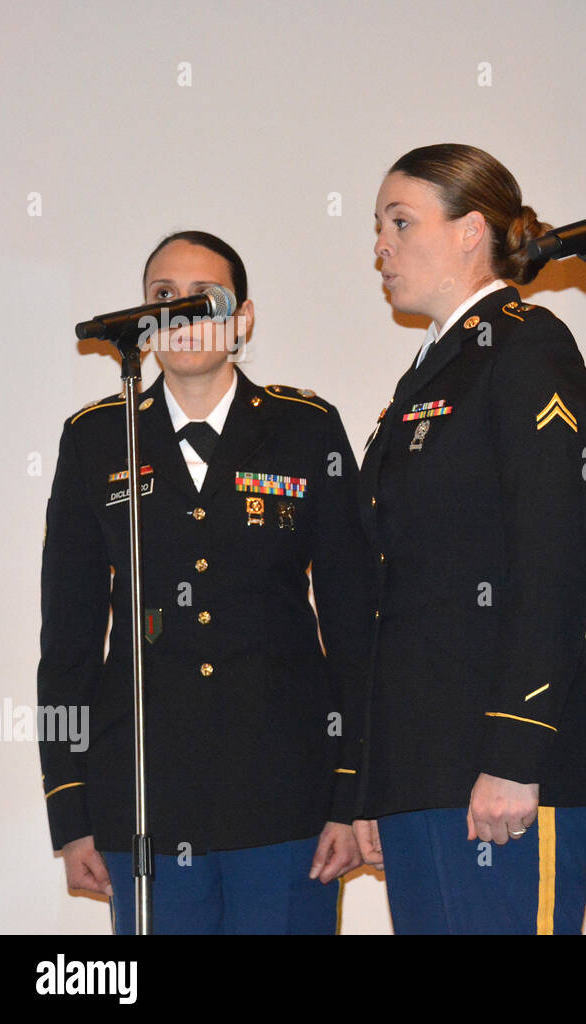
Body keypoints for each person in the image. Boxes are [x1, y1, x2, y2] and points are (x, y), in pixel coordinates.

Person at [39, 230, 369, 933]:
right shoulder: (98, 438)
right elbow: (67, 642)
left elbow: (353, 623)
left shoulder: (305, 429)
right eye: (163, 297)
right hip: (146, 798)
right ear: (142, 319)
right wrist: (69, 811)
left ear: (242, 319)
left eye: (202, 297)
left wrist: (351, 792)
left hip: (288, 795)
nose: (181, 312)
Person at [352, 144, 586, 935]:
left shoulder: (527, 346)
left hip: (500, 759)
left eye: (401, 222)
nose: (381, 247)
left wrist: (516, 752)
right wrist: (373, 782)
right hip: (423, 764)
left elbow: (553, 560)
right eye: (377, 227)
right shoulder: (428, 374)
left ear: (471, 232)